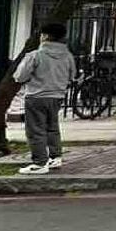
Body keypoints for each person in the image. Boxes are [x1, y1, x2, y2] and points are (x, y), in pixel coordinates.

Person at [13, 23, 76, 175]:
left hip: (36, 96)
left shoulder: (35, 55)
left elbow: (19, 76)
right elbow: (72, 75)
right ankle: (55, 157)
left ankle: (40, 162)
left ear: (45, 36)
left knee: (35, 130)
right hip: (57, 96)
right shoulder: (68, 56)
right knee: (52, 127)